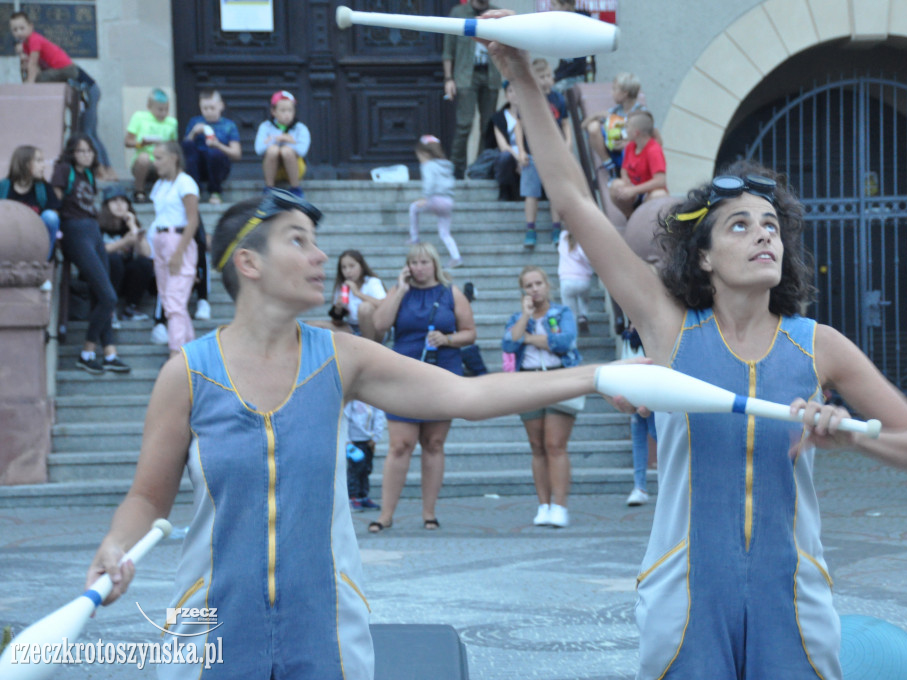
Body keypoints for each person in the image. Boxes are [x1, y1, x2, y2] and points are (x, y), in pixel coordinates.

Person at [491, 29, 907, 679]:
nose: (763, 235)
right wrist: (520, 77)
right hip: (684, 600)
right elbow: (570, 198)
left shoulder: (820, 346)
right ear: (703, 255)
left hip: (792, 602)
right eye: (740, 224)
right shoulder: (669, 329)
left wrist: (853, 441)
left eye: (771, 226)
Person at [84, 189, 603, 680]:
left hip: (326, 634)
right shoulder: (187, 374)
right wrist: (114, 544)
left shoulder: (340, 358)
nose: (320, 256)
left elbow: (468, 397)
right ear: (249, 263)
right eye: (298, 240)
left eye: (315, 241)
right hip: (209, 637)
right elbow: (147, 497)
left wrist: (597, 377)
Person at [368, 243, 476, 532]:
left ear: (435, 264)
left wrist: (448, 339)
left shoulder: (451, 293)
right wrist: (400, 290)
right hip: (403, 375)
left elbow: (470, 333)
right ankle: (385, 514)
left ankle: (429, 512)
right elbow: (379, 324)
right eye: (413, 262)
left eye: (424, 262)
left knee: (434, 443)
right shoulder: (399, 291)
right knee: (400, 445)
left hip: (441, 372)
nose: (418, 267)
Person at [502, 265, 582, 528]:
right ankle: (543, 505)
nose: (534, 289)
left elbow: (564, 342)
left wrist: (530, 338)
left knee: (555, 444)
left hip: (560, 377)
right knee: (536, 446)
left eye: (538, 284)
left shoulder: (562, 312)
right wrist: (526, 319)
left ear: (547, 286)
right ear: (522, 290)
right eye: (529, 285)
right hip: (528, 380)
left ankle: (560, 505)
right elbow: (509, 344)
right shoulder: (518, 317)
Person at [51, 134, 131, 374]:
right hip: (75, 231)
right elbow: (54, 205)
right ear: (72, 153)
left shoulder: (87, 174)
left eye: (89, 151)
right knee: (109, 296)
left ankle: (109, 353)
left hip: (92, 231)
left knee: (101, 295)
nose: (86, 155)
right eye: (81, 151)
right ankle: (86, 353)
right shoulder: (64, 170)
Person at [9, 11, 114, 180]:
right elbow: (29, 69)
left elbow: (34, 68)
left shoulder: (35, 40)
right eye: (14, 30)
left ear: (31, 27)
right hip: (79, 88)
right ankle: (106, 169)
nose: (18, 32)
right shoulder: (28, 48)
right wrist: (22, 58)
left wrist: (27, 89)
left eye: (22, 28)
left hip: (87, 87)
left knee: (87, 132)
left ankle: (102, 170)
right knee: (89, 133)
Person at [149, 141, 200, 359]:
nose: (155, 162)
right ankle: (191, 352)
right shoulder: (159, 185)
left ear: (174, 158)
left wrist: (179, 252)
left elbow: (193, 220)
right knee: (169, 301)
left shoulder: (185, 183)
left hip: (178, 239)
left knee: (175, 300)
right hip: (159, 239)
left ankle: (175, 354)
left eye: (159, 158)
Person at [442, 0, 502, 179]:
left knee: (487, 125)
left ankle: (481, 169)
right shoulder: (458, 12)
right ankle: (456, 169)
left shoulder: (497, 14)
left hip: (491, 75)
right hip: (466, 75)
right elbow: (448, 49)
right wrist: (448, 78)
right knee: (464, 124)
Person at [520, 58, 572, 249]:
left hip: (555, 154)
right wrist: (522, 150)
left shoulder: (558, 98)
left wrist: (568, 143)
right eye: (541, 77)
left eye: (548, 75)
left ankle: (557, 228)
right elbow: (520, 125)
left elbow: (565, 123)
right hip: (534, 154)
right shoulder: (529, 97)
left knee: (555, 192)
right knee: (531, 193)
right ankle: (530, 229)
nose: (546, 80)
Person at [98, 185, 154, 322]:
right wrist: (123, 242)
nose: (120, 205)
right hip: (104, 277)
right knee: (114, 260)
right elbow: (99, 251)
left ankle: (131, 308)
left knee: (143, 263)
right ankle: (110, 309)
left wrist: (133, 226)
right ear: (106, 205)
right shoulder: (97, 225)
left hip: (126, 280)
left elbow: (147, 253)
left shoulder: (129, 226)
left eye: (123, 201)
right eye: (114, 201)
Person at [581, 72, 647, 179]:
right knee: (593, 126)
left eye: (614, 89)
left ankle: (627, 174)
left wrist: (626, 144)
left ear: (624, 93)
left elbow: (647, 141)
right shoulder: (615, 112)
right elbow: (583, 126)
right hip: (613, 152)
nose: (611, 92)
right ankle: (608, 165)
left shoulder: (641, 113)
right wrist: (598, 115)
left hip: (629, 156)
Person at [409, 134, 461, 268]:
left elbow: (429, 183)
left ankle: (414, 238)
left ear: (425, 154)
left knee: (414, 208)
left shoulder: (428, 166)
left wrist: (425, 198)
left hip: (434, 200)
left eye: (419, 156)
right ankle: (456, 257)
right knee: (445, 233)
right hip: (448, 201)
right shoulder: (447, 165)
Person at [182, 89, 242, 204]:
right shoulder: (195, 122)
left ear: (221, 106)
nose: (208, 112)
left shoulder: (229, 125)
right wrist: (193, 133)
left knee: (214, 153)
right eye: (205, 108)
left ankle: (215, 191)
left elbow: (237, 154)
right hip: (197, 165)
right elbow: (185, 147)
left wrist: (218, 145)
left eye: (212, 108)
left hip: (218, 166)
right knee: (188, 144)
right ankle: (195, 190)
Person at [2, 145, 60, 260]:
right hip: (9, 237)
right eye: (39, 161)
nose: (43, 166)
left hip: (36, 239)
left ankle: (42, 263)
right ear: (25, 163)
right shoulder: (4, 187)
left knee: (51, 217)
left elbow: (54, 216)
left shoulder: (44, 188)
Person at [608, 110, 668, 219]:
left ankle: (645, 221)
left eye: (627, 127)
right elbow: (624, 169)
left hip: (648, 193)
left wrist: (633, 190)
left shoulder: (653, 150)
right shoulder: (631, 145)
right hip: (634, 191)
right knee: (615, 186)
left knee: (659, 195)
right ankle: (630, 217)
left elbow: (660, 180)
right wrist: (625, 180)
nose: (625, 131)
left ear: (636, 132)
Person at [621, 322, 656, 506]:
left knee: (659, 435)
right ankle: (639, 486)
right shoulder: (627, 334)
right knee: (638, 439)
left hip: (653, 394)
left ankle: (673, 484)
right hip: (633, 395)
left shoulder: (651, 329)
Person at [124, 88, 178, 202]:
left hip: (164, 162)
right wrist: (141, 144)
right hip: (144, 162)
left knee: (172, 158)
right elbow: (127, 142)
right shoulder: (139, 117)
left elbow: (175, 146)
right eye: (160, 110)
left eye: (166, 110)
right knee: (144, 158)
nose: (163, 113)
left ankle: (169, 191)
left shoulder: (172, 122)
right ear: (149, 106)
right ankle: (139, 191)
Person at [255, 90, 311, 197]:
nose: (287, 114)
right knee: (273, 150)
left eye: (290, 110)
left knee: (287, 151)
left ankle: (295, 188)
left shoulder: (300, 128)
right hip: (274, 170)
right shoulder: (265, 127)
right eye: (283, 110)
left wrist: (290, 141)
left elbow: (303, 151)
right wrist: (274, 140)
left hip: (296, 168)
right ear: (273, 111)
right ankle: (269, 188)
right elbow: (259, 149)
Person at [329, 249, 386, 338]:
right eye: (344, 267)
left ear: (361, 266)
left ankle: (368, 348)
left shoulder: (372, 282)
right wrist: (338, 309)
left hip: (375, 328)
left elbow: (384, 305)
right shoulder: (342, 286)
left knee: (365, 307)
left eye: (352, 266)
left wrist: (357, 293)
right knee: (315, 325)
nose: (347, 271)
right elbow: (336, 322)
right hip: (352, 327)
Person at [345, 398, 386, 512]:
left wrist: (376, 437)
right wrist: (347, 440)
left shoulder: (373, 399)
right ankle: (353, 497)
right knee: (355, 470)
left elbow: (379, 416)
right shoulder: (351, 400)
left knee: (366, 469)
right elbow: (345, 417)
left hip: (368, 441)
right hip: (354, 441)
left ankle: (363, 496)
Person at [490, 80, 526, 202]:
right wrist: (518, 159)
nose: (514, 94)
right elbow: (503, 146)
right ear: (506, 95)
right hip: (511, 155)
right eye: (510, 91)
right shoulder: (499, 117)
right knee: (505, 157)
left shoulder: (529, 116)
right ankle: (504, 190)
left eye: (517, 90)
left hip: (527, 154)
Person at [549, 0, 593, 95]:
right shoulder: (563, 23)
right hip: (565, 74)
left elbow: (577, 62)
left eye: (554, 5)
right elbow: (564, 61)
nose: (552, 8)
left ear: (565, 5)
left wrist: (557, 77)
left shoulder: (580, 22)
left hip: (576, 76)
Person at [557, 228, 594, 335]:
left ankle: (572, 337)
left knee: (569, 311)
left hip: (566, 280)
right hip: (583, 280)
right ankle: (583, 315)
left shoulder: (563, 235)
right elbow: (586, 256)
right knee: (584, 299)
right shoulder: (585, 238)